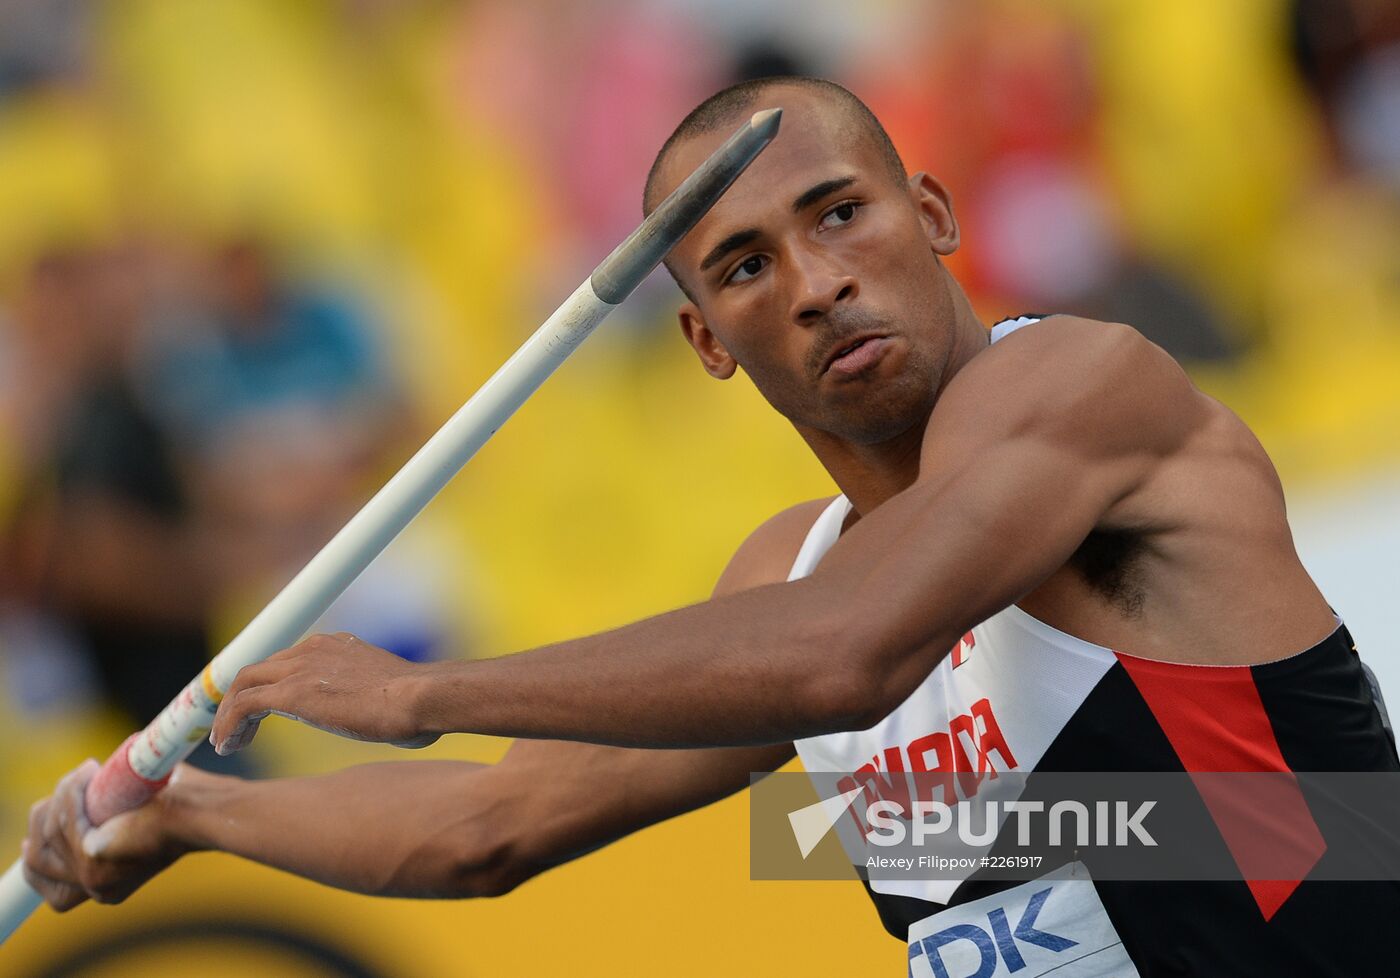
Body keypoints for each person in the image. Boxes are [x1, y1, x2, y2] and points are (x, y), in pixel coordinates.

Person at [23, 77, 1400, 974]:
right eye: (746, 265)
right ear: (707, 340)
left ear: (931, 214)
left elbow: (851, 654)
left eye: (840, 216)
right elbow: (487, 824)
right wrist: (196, 816)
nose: (814, 284)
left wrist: (425, 685)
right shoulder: (790, 579)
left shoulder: (1083, 385)